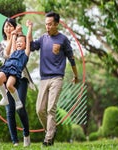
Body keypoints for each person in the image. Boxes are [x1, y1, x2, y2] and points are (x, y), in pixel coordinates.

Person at [30, 12, 79, 146]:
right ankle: (51, 130)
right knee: (39, 109)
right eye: (46, 24)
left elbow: (71, 58)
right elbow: (31, 46)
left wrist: (76, 75)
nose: (48, 27)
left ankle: (48, 139)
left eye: (50, 24)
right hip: (43, 78)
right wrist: (29, 30)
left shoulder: (63, 39)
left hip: (57, 77)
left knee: (51, 108)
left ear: (57, 24)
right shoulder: (42, 39)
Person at [0, 18, 34, 147]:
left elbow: (29, 41)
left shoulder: (20, 41)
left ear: (14, 27)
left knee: (20, 107)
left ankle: (26, 134)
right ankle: (15, 141)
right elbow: (5, 56)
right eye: (6, 26)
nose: (8, 28)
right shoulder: (2, 43)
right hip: (7, 74)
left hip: (20, 77)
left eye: (10, 25)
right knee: (10, 110)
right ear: (3, 29)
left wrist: (24, 31)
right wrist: (13, 38)